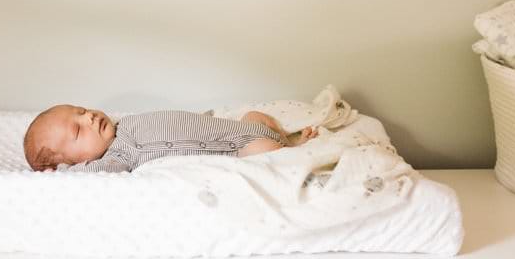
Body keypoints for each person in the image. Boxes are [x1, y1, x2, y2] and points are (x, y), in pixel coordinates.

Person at [23, 104, 317, 173]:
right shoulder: (116, 158)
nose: (88, 118)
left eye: (81, 111)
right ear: (79, 161)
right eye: (77, 131)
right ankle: (291, 149)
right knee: (267, 153)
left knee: (255, 114)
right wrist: (58, 173)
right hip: (239, 147)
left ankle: (287, 140)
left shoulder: (123, 123)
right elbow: (84, 178)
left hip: (237, 127)